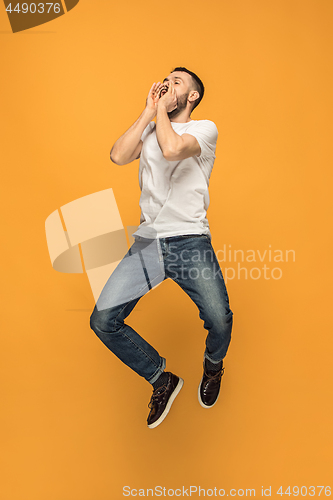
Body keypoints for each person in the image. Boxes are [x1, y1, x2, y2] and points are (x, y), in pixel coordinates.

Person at [90, 67, 233, 429]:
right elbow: (118, 156)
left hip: (190, 240)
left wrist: (160, 113)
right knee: (103, 320)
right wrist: (147, 111)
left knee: (219, 319)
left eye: (177, 82)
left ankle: (213, 366)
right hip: (149, 243)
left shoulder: (204, 129)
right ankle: (160, 378)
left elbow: (172, 151)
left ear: (193, 96)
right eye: (165, 80)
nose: (168, 85)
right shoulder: (152, 126)